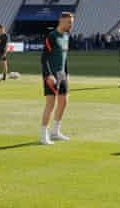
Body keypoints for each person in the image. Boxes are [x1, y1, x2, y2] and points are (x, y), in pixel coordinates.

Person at [40, 12, 74, 145]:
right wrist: (48, 75)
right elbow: (44, 58)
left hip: (62, 74)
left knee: (64, 102)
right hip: (51, 75)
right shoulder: (52, 36)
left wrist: (67, 73)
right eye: (69, 22)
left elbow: (65, 57)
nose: (71, 24)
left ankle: (55, 132)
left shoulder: (66, 36)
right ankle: (43, 135)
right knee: (50, 104)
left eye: (72, 22)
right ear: (61, 21)